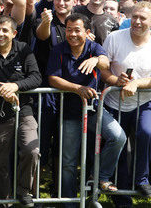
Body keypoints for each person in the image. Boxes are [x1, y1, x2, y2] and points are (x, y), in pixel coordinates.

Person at [47, 13, 126, 205]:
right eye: (69, 30)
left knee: (118, 137)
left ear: (87, 32)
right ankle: (69, 203)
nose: (72, 34)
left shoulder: (94, 47)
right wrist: (77, 89)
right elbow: (53, 79)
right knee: (68, 162)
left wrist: (96, 60)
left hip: (93, 109)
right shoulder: (58, 49)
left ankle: (100, 177)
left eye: (77, 30)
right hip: (69, 113)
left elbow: (106, 62)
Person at [101, 1, 151, 205]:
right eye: (134, 17)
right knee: (120, 148)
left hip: (144, 102)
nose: (137, 22)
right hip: (115, 102)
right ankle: (122, 199)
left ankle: (142, 179)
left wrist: (137, 83)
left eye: (143, 18)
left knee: (148, 133)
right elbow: (103, 69)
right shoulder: (114, 37)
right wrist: (116, 81)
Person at [0, 15, 42, 207]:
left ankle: (23, 191)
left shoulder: (24, 49)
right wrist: (1, 90)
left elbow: (36, 77)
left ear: (13, 33)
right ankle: (1, 201)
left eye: (5, 30)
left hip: (24, 110)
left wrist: (15, 85)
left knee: (32, 150)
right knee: (0, 159)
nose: (0, 34)